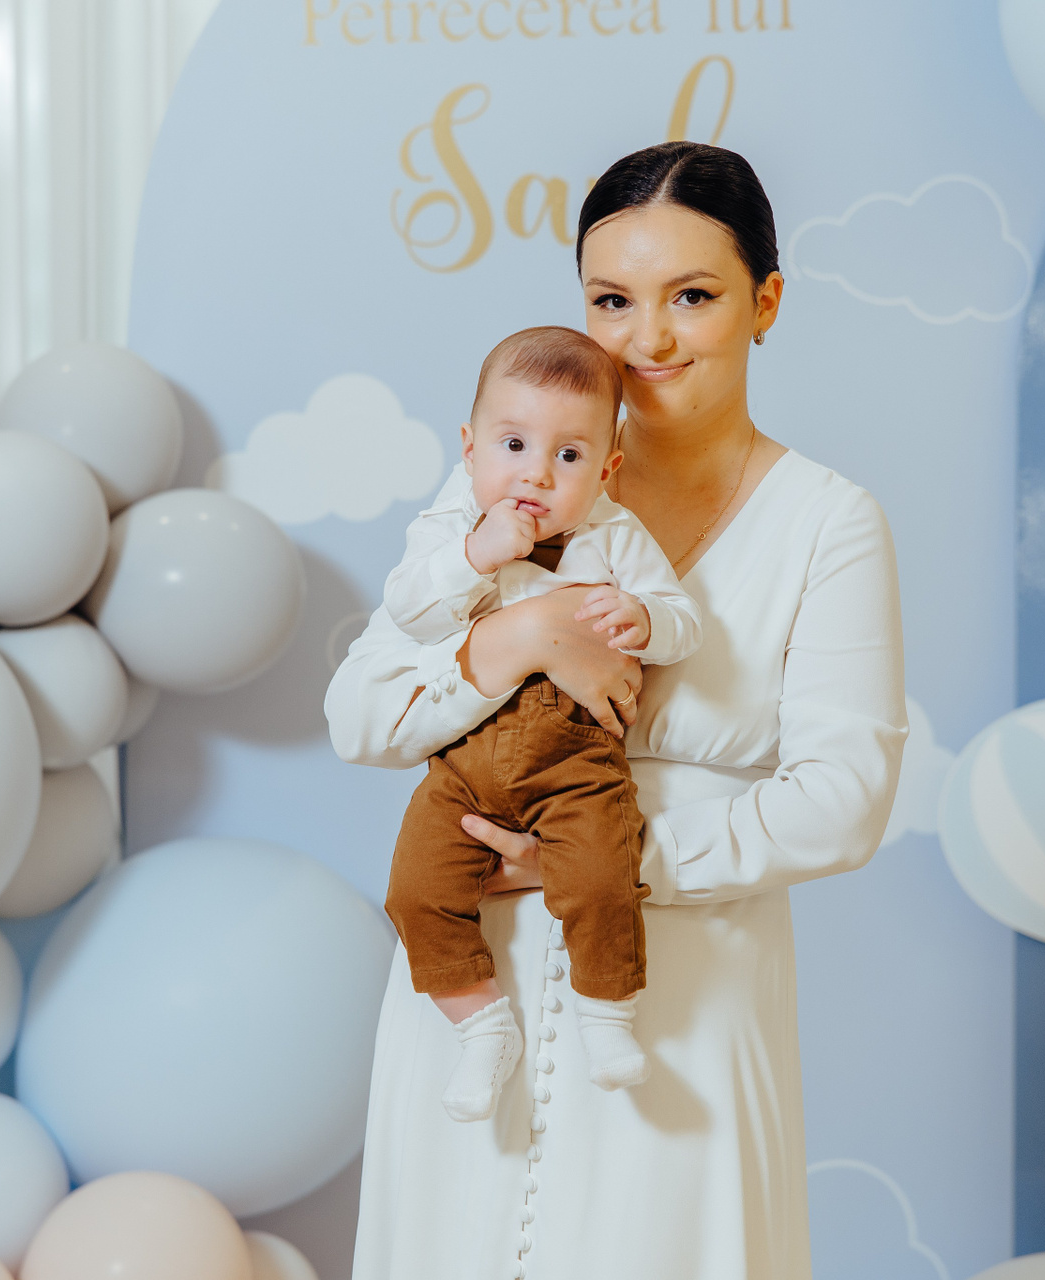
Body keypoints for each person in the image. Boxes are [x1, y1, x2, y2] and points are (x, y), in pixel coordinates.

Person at [328, 140, 906, 1279]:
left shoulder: (826, 522)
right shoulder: (521, 475)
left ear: (765, 302)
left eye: (692, 296)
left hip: (682, 1005)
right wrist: (519, 637)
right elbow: (361, 714)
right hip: (475, 993)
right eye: (612, 300)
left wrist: (602, 860)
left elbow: (843, 800)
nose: (649, 339)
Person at [381, 324, 702, 1121]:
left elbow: (685, 624)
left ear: (607, 468)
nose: (536, 473)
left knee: (601, 875)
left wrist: (645, 619)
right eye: (514, 445)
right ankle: (481, 1026)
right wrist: (476, 557)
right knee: (415, 890)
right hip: (465, 758)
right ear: (470, 449)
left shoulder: (614, 536)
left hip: (576, 758)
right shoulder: (452, 531)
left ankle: (609, 1016)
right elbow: (410, 611)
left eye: (568, 455)